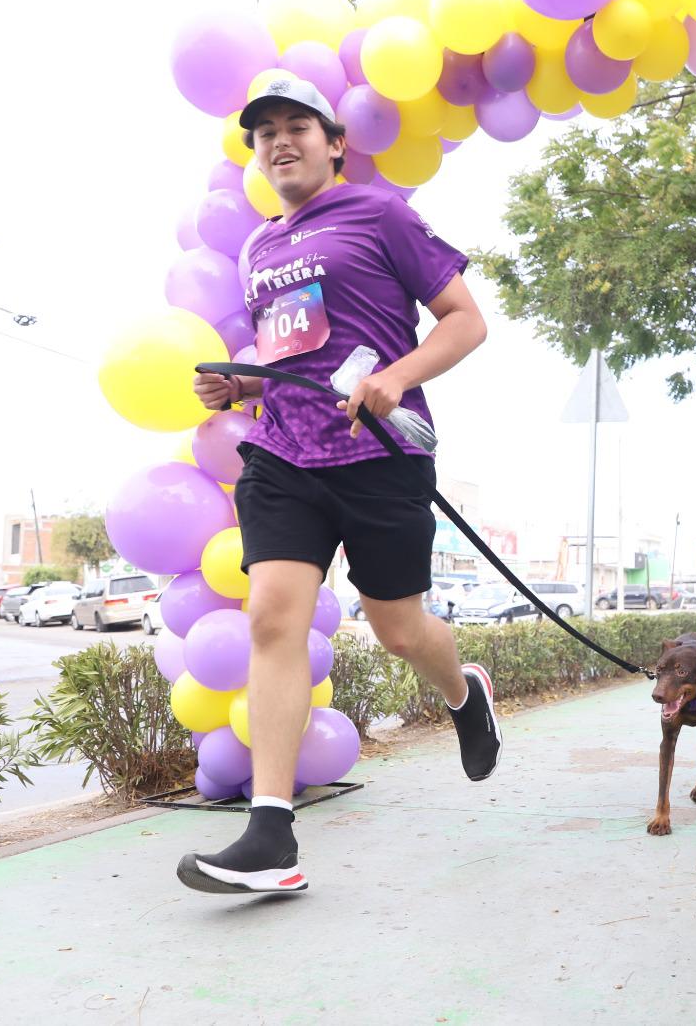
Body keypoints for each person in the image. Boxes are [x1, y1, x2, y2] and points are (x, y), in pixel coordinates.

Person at [176, 73, 502, 897]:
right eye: (264, 133)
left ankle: (465, 694)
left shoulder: (380, 213)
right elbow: (294, 360)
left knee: (399, 630)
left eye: (297, 127)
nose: (279, 142)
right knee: (272, 617)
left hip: (380, 455)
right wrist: (239, 389)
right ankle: (272, 834)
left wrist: (398, 375)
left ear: (334, 142)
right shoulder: (258, 248)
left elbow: (466, 319)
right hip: (284, 458)